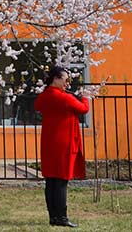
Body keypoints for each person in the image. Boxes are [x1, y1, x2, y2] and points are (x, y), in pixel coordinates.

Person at [34, 66, 90, 228]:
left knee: (50, 180)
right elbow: (83, 109)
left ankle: (53, 216)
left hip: (49, 142)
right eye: (65, 79)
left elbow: (38, 106)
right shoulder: (64, 98)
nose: (67, 83)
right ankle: (62, 217)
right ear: (56, 79)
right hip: (64, 142)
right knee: (61, 181)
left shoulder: (44, 97)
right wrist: (85, 97)